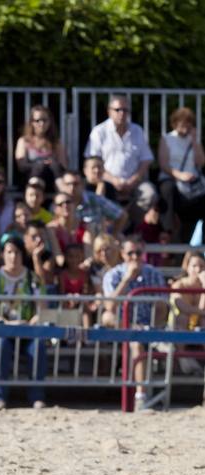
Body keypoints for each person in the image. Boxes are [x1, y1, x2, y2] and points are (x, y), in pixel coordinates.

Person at [102, 235, 167, 410]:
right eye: (130, 253)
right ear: (122, 254)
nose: (135, 257)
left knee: (141, 341)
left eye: (138, 253)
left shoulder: (154, 273)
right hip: (122, 326)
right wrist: (127, 280)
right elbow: (109, 306)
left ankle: (143, 395)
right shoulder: (113, 275)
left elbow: (163, 307)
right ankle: (141, 397)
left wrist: (153, 328)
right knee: (112, 320)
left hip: (149, 326)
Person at [0, 236, 46, 410]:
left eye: (17, 252)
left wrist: (33, 321)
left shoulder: (32, 277)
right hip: (4, 329)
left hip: (28, 329)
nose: (13, 256)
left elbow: (42, 308)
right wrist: (1, 321)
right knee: (0, 345)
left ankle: (37, 396)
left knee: (38, 346)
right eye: (9, 252)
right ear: (3, 254)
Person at [84, 95, 157, 226]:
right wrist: (114, 180)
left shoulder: (137, 131)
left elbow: (146, 159)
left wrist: (133, 180)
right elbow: (93, 161)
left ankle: (130, 225)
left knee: (149, 193)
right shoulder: (99, 131)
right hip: (107, 180)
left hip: (134, 182)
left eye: (125, 110)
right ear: (109, 111)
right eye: (117, 110)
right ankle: (110, 229)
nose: (122, 113)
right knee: (101, 194)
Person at [157, 107, 205, 242]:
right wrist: (180, 176)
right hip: (171, 178)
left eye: (189, 123)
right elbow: (164, 164)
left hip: (192, 182)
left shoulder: (193, 140)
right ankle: (167, 230)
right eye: (183, 123)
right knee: (168, 189)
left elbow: (201, 162)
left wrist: (195, 141)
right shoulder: (167, 139)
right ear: (175, 123)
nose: (186, 126)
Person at [15, 105, 67, 191]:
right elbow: (21, 166)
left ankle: (64, 194)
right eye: (37, 120)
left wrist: (50, 163)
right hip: (30, 178)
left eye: (45, 120)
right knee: (39, 166)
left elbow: (63, 166)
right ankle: (34, 193)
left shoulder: (56, 142)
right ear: (31, 122)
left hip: (52, 179)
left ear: (50, 122)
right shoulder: (24, 141)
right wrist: (40, 163)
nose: (41, 124)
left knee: (54, 164)